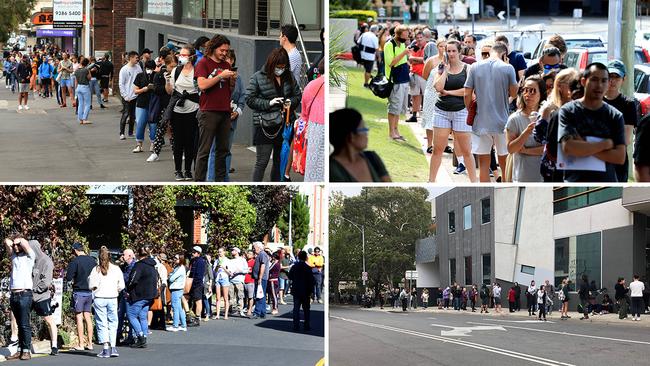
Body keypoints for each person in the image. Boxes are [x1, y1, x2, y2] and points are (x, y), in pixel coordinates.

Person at [558, 62, 626, 182]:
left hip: (606, 183)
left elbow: (620, 157)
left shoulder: (615, 116)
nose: (599, 85)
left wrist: (584, 148)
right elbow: (568, 147)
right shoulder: (568, 111)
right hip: (575, 182)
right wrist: (604, 145)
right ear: (583, 81)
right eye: (594, 80)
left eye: (604, 81)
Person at [464, 42, 518, 182]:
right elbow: (514, 92)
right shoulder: (508, 68)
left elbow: (467, 93)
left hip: (481, 119)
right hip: (502, 121)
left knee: (483, 165)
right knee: (505, 162)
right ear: (504, 54)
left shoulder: (475, 66)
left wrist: (469, 108)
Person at [245, 48, 301, 181]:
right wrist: (269, 103)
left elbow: (297, 95)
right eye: (278, 67)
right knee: (262, 162)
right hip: (266, 125)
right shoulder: (258, 77)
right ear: (271, 64)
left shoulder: (289, 76)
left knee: (279, 161)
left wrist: (290, 102)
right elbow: (249, 99)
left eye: (283, 67)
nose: (280, 69)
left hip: (285, 125)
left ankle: (277, 184)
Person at [429, 39, 477, 182]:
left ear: (459, 51)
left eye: (453, 51)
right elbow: (437, 87)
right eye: (448, 51)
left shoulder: (468, 68)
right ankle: (431, 181)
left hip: (461, 111)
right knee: (437, 149)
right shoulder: (441, 67)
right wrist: (445, 69)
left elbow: (469, 91)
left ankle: (474, 182)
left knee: (466, 151)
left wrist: (449, 92)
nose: (450, 53)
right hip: (441, 111)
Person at [194, 34, 237, 182]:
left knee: (223, 151)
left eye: (227, 51)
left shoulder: (227, 65)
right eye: (222, 50)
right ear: (213, 47)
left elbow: (228, 90)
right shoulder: (203, 63)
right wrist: (220, 76)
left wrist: (232, 80)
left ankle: (220, 181)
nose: (224, 53)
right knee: (204, 150)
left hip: (224, 111)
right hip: (208, 111)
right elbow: (202, 85)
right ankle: (199, 182)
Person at [534, 68, 582, 182]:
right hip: (553, 168)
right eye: (571, 84)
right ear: (559, 86)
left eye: (578, 84)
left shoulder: (581, 107)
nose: (575, 88)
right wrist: (545, 116)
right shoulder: (549, 108)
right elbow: (539, 137)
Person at [207, 49, 247, 182]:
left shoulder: (238, 78)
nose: (228, 61)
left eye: (230, 59)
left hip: (231, 119)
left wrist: (238, 111)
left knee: (226, 150)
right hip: (216, 117)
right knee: (214, 149)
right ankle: (211, 179)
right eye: (225, 59)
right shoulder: (216, 76)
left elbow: (243, 97)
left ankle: (225, 179)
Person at [329, 108, 391, 182]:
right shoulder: (331, 170)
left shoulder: (372, 158)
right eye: (363, 129)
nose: (366, 133)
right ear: (351, 136)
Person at [505, 75, 547, 182]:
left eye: (532, 91)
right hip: (522, 176)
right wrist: (526, 132)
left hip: (544, 176)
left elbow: (549, 149)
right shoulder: (514, 119)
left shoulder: (548, 117)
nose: (528, 95)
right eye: (525, 90)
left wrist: (526, 151)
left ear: (541, 94)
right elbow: (511, 149)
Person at [604, 60, 637, 183]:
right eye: (609, 76)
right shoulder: (595, 101)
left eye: (616, 77)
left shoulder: (628, 104)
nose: (612, 81)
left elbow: (626, 139)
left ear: (624, 79)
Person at [88, 246, 125, 358]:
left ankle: (105, 348)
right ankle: (113, 347)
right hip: (112, 298)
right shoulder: (116, 268)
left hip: (100, 298)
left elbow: (91, 285)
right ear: (110, 256)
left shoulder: (96, 269)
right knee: (113, 322)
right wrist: (115, 290)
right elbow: (122, 285)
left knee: (102, 323)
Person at [5, 235, 36, 361]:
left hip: (25, 294)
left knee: (24, 324)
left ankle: (26, 350)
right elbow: (6, 242)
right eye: (15, 246)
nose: (16, 247)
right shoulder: (14, 257)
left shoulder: (29, 257)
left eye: (18, 246)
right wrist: (12, 242)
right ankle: (19, 350)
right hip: (14, 295)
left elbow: (25, 243)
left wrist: (19, 240)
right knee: (18, 324)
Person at [65, 242, 97, 351]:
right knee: (88, 317)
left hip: (79, 291)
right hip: (90, 292)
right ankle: (90, 343)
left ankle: (81, 344)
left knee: (79, 317)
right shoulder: (92, 260)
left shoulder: (75, 261)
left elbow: (69, 277)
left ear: (75, 250)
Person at [29, 240, 58, 356]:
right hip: (29, 295)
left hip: (42, 297)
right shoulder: (29, 261)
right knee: (22, 319)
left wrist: (35, 289)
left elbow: (46, 282)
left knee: (49, 319)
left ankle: (54, 345)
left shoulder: (46, 261)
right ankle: (22, 344)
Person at [126, 247, 159, 348]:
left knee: (131, 315)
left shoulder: (139, 265)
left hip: (139, 294)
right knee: (143, 316)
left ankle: (140, 336)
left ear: (138, 255)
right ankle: (144, 335)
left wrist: (128, 288)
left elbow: (133, 279)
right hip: (150, 295)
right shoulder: (152, 265)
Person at [384, 25, 411, 140]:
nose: (406, 38)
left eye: (407, 35)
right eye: (404, 36)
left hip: (404, 79)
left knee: (399, 108)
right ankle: (391, 132)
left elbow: (403, 61)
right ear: (397, 35)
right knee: (394, 107)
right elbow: (391, 63)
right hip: (395, 80)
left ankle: (396, 130)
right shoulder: (389, 45)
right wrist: (404, 53)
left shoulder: (402, 44)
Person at [421, 39, 445, 156]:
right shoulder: (431, 60)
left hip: (443, 93)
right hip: (431, 92)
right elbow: (424, 75)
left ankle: (442, 145)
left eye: (445, 46)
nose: (443, 49)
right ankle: (430, 144)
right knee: (429, 117)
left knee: (442, 120)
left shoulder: (450, 61)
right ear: (437, 47)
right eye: (441, 46)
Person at [303, 62, 325, 182]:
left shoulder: (312, 85)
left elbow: (304, 111)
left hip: (315, 126)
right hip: (322, 125)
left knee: (313, 164)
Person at [132, 60, 158, 153]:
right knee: (140, 124)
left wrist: (154, 88)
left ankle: (153, 144)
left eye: (151, 68)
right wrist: (144, 89)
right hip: (142, 103)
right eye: (148, 68)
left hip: (154, 103)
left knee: (153, 124)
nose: (149, 70)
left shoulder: (157, 75)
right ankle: (139, 144)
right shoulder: (140, 75)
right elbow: (135, 90)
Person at [288, 251, 314, 331]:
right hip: (306, 290)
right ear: (306, 257)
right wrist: (311, 291)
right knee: (306, 309)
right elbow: (311, 280)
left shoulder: (294, 266)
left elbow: (290, 276)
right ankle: (306, 325)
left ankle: (296, 325)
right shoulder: (308, 267)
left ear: (298, 257)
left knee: (296, 308)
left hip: (296, 289)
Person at [119, 51, 142, 139]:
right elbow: (121, 84)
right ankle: (121, 133)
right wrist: (125, 96)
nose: (137, 59)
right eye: (136, 58)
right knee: (126, 114)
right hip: (127, 96)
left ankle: (130, 132)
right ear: (131, 58)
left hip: (136, 95)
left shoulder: (138, 68)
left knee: (133, 115)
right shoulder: (124, 69)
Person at [406, 31, 427, 123]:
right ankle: (414, 115)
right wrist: (418, 60)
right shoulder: (414, 47)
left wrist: (414, 59)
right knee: (415, 96)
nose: (419, 39)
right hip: (414, 74)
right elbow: (410, 60)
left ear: (424, 37)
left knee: (426, 96)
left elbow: (426, 59)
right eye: (417, 37)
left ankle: (426, 117)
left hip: (424, 75)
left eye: (420, 37)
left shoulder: (427, 47)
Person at [167, 253, 187, 331]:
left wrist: (170, 276)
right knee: (179, 307)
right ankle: (183, 325)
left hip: (176, 289)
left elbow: (171, 278)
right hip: (178, 289)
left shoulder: (180, 268)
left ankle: (175, 325)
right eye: (174, 258)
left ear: (181, 259)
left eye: (176, 258)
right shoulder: (177, 267)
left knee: (175, 307)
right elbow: (171, 275)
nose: (174, 259)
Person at [251, 242, 270, 319]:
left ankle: (257, 312)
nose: (253, 249)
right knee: (262, 295)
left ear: (258, 248)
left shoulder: (262, 254)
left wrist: (260, 278)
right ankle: (262, 312)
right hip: (260, 278)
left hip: (261, 278)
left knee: (259, 294)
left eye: (254, 248)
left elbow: (263, 266)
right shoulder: (261, 255)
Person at [188, 246, 206, 324]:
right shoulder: (193, 261)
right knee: (186, 298)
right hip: (191, 283)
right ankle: (188, 315)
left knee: (198, 301)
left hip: (197, 284)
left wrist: (194, 283)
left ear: (198, 253)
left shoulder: (201, 261)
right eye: (192, 251)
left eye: (194, 252)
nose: (192, 253)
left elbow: (199, 275)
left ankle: (197, 318)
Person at [227, 247, 247, 316]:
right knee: (230, 296)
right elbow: (228, 269)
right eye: (232, 250)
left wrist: (239, 271)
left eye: (233, 250)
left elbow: (246, 270)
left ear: (237, 251)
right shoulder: (230, 260)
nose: (232, 251)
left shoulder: (242, 260)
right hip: (231, 280)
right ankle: (230, 310)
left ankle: (240, 310)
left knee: (240, 296)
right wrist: (229, 272)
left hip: (239, 280)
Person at [212, 247, 231, 320]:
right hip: (218, 278)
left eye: (220, 252)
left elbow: (230, 273)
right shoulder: (216, 261)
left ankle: (226, 315)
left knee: (226, 297)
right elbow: (214, 272)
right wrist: (217, 267)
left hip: (224, 278)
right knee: (217, 297)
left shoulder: (227, 260)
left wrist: (223, 267)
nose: (219, 253)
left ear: (224, 252)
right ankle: (217, 314)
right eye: (218, 252)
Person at [74, 58, 93, 125]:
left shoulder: (76, 70)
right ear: (87, 64)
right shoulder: (86, 70)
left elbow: (76, 81)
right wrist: (89, 71)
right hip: (85, 87)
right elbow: (89, 78)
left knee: (80, 104)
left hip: (78, 87)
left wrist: (76, 89)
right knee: (87, 103)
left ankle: (80, 119)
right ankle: (84, 119)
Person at [243, 250, 256, 317]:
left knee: (250, 297)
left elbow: (255, 271)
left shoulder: (254, 262)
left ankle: (249, 309)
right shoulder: (244, 261)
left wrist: (249, 271)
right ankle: (244, 308)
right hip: (243, 280)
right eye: (248, 253)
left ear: (253, 255)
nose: (248, 255)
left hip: (250, 281)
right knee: (244, 297)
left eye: (250, 254)